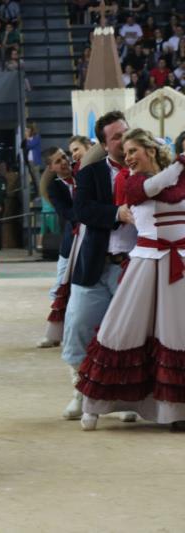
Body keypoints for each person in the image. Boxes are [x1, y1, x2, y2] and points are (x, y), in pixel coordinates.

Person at [77, 131, 185, 430]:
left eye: (134, 150)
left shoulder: (176, 179)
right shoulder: (132, 181)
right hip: (145, 266)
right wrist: (181, 162)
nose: (129, 157)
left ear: (150, 149)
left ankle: (174, 410)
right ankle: (94, 406)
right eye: (126, 152)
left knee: (177, 334)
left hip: (179, 268)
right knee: (121, 331)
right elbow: (153, 187)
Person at [62, 111, 137, 422]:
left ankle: (122, 397)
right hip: (95, 263)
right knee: (78, 328)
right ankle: (81, 391)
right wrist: (116, 214)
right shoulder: (90, 174)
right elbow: (82, 211)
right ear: (104, 144)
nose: (123, 140)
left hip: (133, 269)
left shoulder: (148, 171)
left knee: (129, 336)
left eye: (126, 133)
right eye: (116, 136)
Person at [37, 148, 81, 349]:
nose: (63, 162)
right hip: (71, 242)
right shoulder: (55, 188)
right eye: (57, 161)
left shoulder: (83, 174)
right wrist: (89, 212)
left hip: (92, 239)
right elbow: (67, 213)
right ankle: (54, 333)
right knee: (60, 287)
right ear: (51, 167)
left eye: (64, 157)